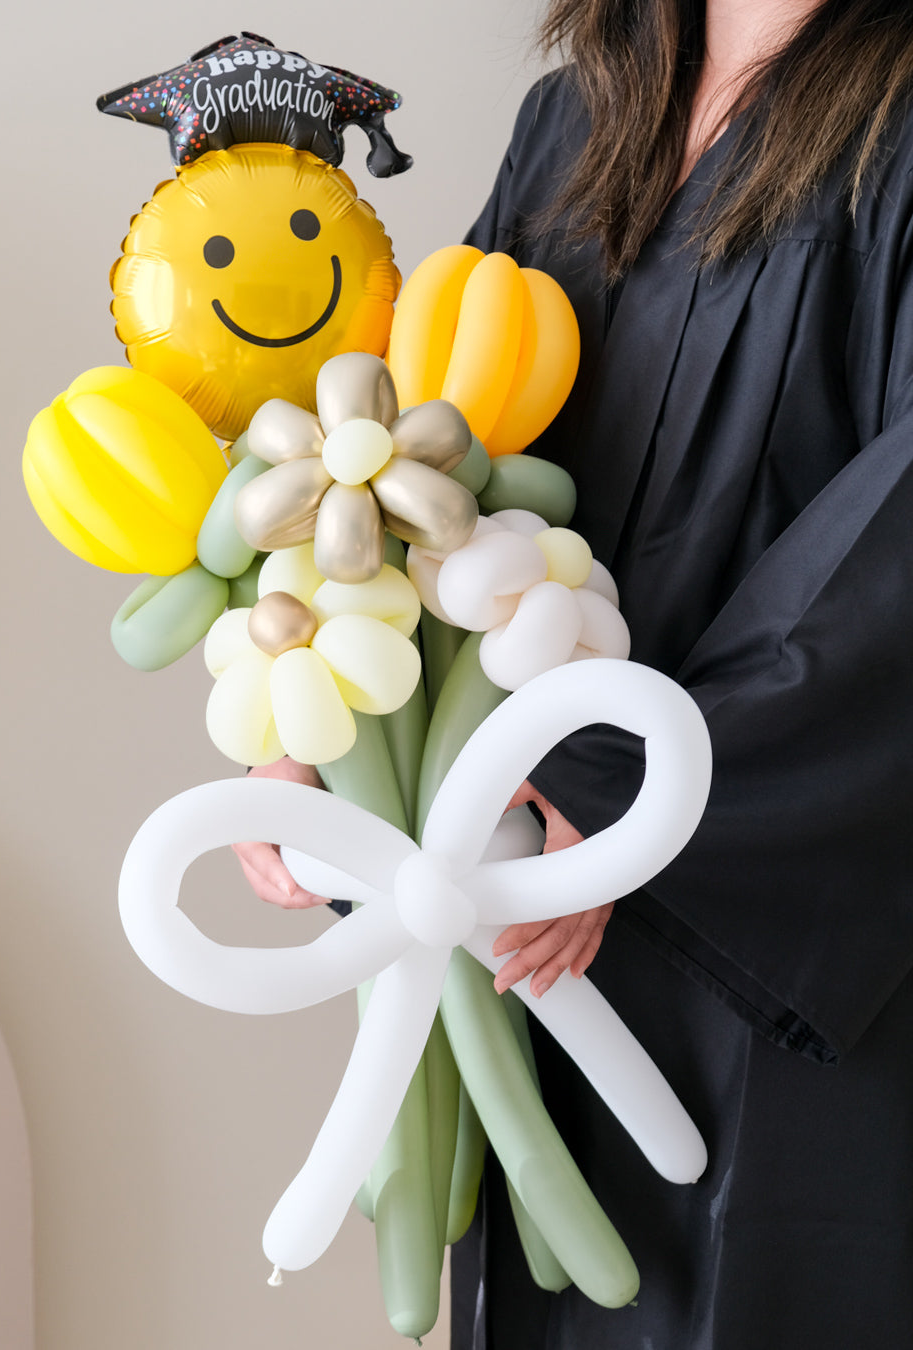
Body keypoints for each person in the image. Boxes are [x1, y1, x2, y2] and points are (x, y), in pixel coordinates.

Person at [235, 0, 913, 1344]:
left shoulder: (896, 121)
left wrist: (619, 796)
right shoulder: (580, 114)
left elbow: (890, 554)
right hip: (523, 883)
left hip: (766, 910)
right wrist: (321, 699)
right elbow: (443, 455)